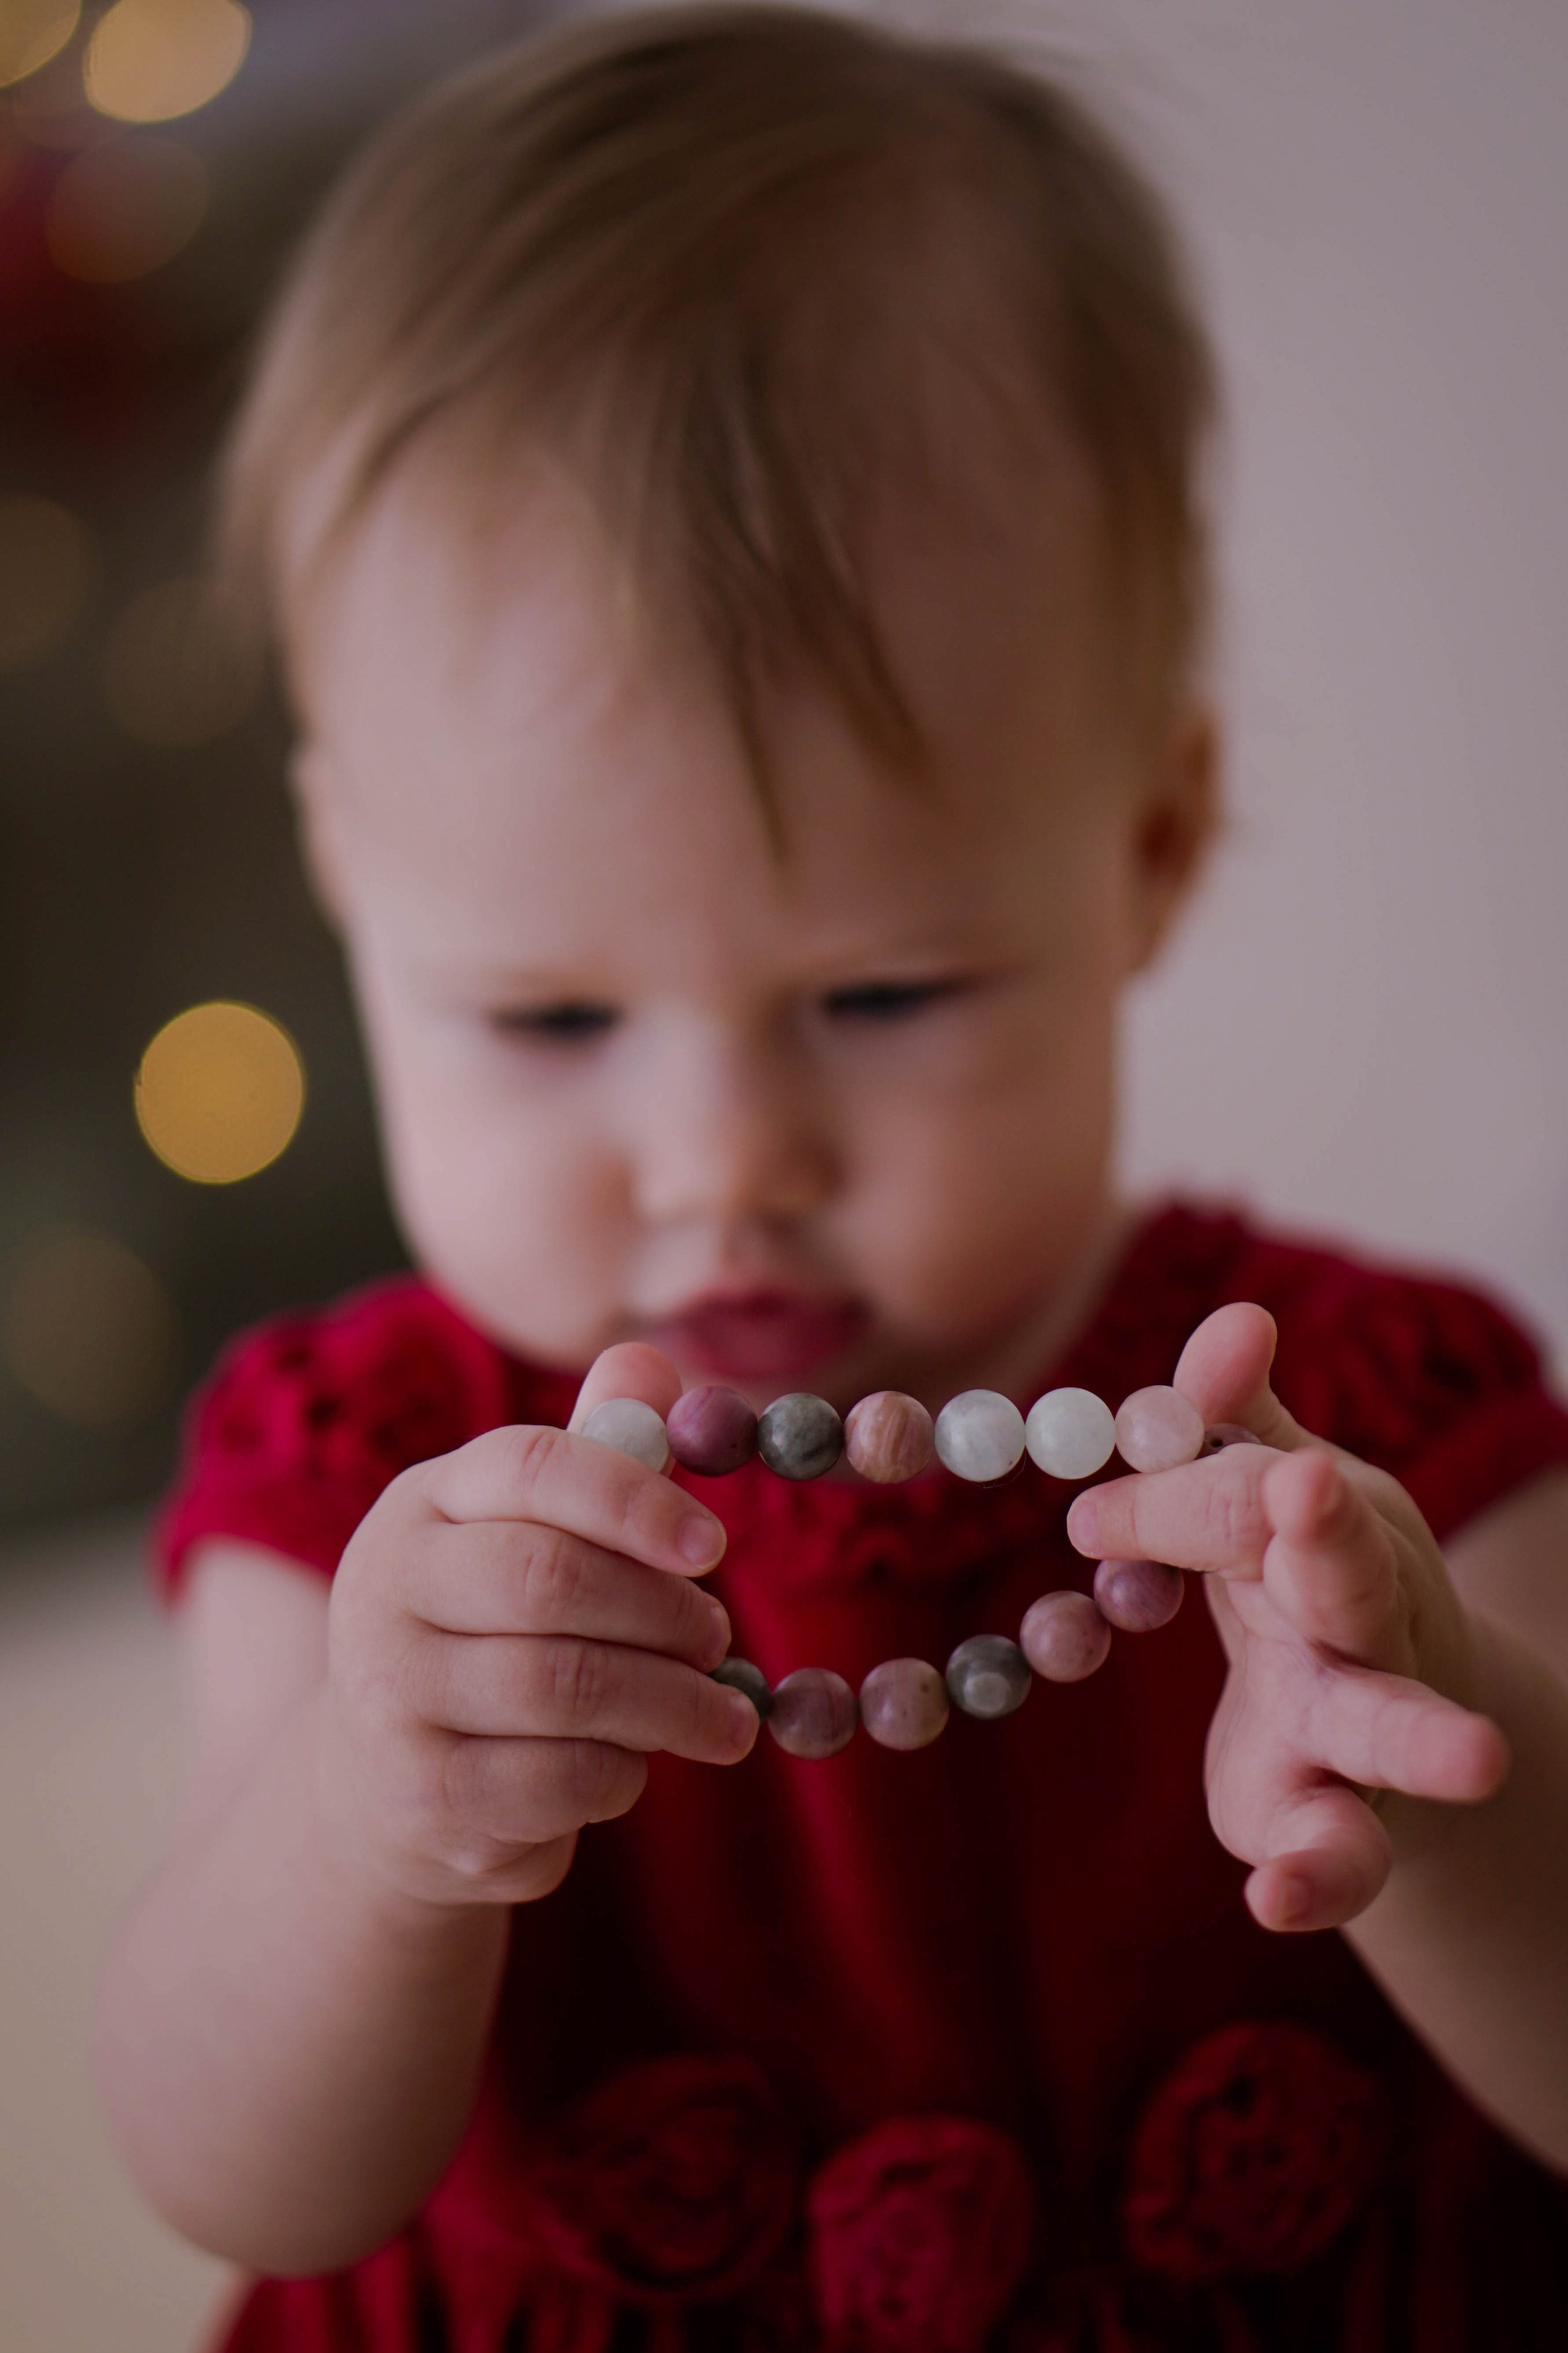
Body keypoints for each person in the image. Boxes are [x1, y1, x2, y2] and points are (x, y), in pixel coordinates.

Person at [94, 9, 1568, 2347]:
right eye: (553, 1019)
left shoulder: (1350, 1431)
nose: (723, 1162)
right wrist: (375, 1827)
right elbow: (245, 2173)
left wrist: (1437, 1752)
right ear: (351, 878)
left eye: (881, 997)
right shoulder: (359, 1484)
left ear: (1151, 849)